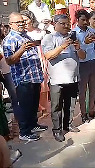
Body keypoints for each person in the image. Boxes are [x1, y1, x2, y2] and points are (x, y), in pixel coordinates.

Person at [2, 12, 48, 141]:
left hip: (34, 76)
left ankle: (33, 125)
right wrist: (21, 50)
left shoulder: (24, 35)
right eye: (18, 22)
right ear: (11, 24)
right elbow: (9, 61)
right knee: (24, 106)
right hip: (23, 78)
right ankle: (24, 131)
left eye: (22, 21)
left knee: (33, 104)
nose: (22, 24)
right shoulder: (9, 40)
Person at [42, 14, 85, 142]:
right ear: (55, 24)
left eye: (68, 23)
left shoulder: (73, 36)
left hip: (73, 77)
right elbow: (48, 55)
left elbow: (82, 56)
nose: (67, 26)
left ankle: (68, 124)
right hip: (57, 79)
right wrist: (62, 46)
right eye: (63, 23)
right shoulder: (49, 38)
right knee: (56, 107)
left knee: (71, 104)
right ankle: (57, 130)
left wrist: (78, 48)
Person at [20, 10, 49, 118]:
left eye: (26, 19)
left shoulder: (40, 31)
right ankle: (36, 108)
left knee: (43, 83)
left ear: (31, 19)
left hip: (41, 58)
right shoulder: (22, 34)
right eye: (22, 20)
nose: (24, 22)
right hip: (28, 60)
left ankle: (44, 108)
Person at [74, 9, 95, 122]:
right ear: (77, 20)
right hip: (82, 64)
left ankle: (91, 111)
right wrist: (85, 43)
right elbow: (77, 51)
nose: (85, 22)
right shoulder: (74, 33)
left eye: (86, 20)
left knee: (93, 89)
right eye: (82, 20)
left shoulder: (91, 30)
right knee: (82, 91)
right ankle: (83, 113)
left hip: (93, 61)